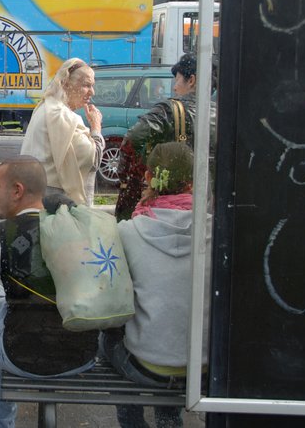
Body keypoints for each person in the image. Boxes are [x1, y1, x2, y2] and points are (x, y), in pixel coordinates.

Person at [0, 155, 98, 428]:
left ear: (17, 191)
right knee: (7, 310)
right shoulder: (76, 229)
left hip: (22, 356)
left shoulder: (1, 234)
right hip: (83, 356)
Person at [100, 141, 207, 428]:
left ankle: (134, 423)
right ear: (194, 182)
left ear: (148, 178)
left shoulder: (128, 232)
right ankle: (168, 420)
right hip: (202, 368)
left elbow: (112, 296)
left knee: (107, 339)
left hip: (146, 366)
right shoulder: (215, 230)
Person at [114, 53, 215, 220]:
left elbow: (133, 139)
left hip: (169, 205)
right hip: (208, 204)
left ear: (191, 80)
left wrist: (129, 177)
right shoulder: (224, 115)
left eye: (177, 80)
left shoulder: (168, 112)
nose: (175, 87)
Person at [20, 57, 104, 206]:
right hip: (54, 201)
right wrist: (96, 126)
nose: (92, 92)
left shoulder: (45, 107)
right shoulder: (62, 116)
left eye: (92, 85)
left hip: (34, 194)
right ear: (66, 84)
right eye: (86, 85)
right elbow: (93, 160)